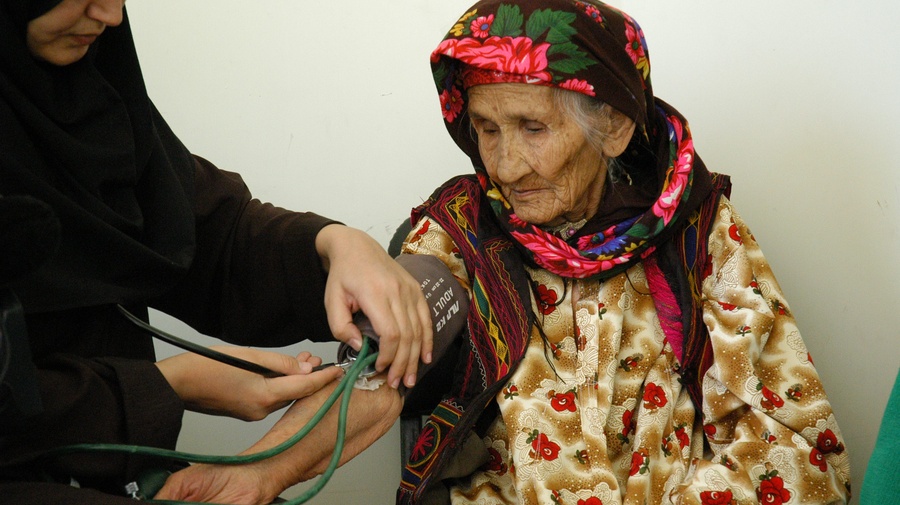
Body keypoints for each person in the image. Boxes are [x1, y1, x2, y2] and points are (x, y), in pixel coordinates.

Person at [154, 1, 853, 504]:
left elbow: (798, 447)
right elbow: (377, 378)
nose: (508, 166)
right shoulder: (462, 231)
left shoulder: (700, 233)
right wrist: (259, 473)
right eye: (488, 129)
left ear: (612, 127)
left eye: (532, 128)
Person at [0, 0, 434, 503]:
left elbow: (207, 237)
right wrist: (170, 385)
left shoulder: (94, 99)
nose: (111, 15)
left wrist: (334, 245)